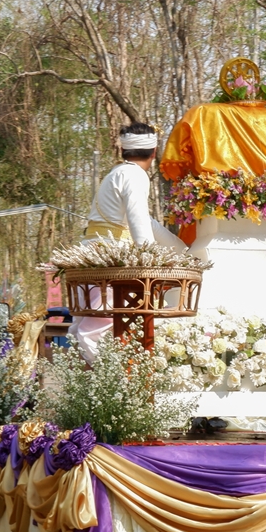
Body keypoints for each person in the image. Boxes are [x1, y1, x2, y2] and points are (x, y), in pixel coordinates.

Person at [67, 122, 186, 360]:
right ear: (154, 153)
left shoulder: (118, 173)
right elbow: (139, 222)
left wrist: (180, 249)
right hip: (110, 257)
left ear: (124, 151)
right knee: (96, 327)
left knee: (86, 322)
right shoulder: (134, 175)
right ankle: (106, 386)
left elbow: (146, 222)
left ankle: (83, 381)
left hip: (96, 252)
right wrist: (150, 262)